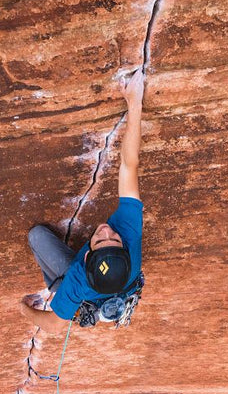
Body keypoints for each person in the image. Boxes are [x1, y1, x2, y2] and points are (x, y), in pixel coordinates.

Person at [20, 68, 146, 334]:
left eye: (100, 239)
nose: (106, 229)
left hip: (87, 294)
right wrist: (135, 104)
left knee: (37, 236)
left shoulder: (77, 280)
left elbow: (54, 325)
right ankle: (94, 305)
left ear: (87, 255)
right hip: (113, 290)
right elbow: (129, 165)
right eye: (114, 237)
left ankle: (56, 290)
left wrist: (25, 309)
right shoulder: (130, 233)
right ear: (124, 248)